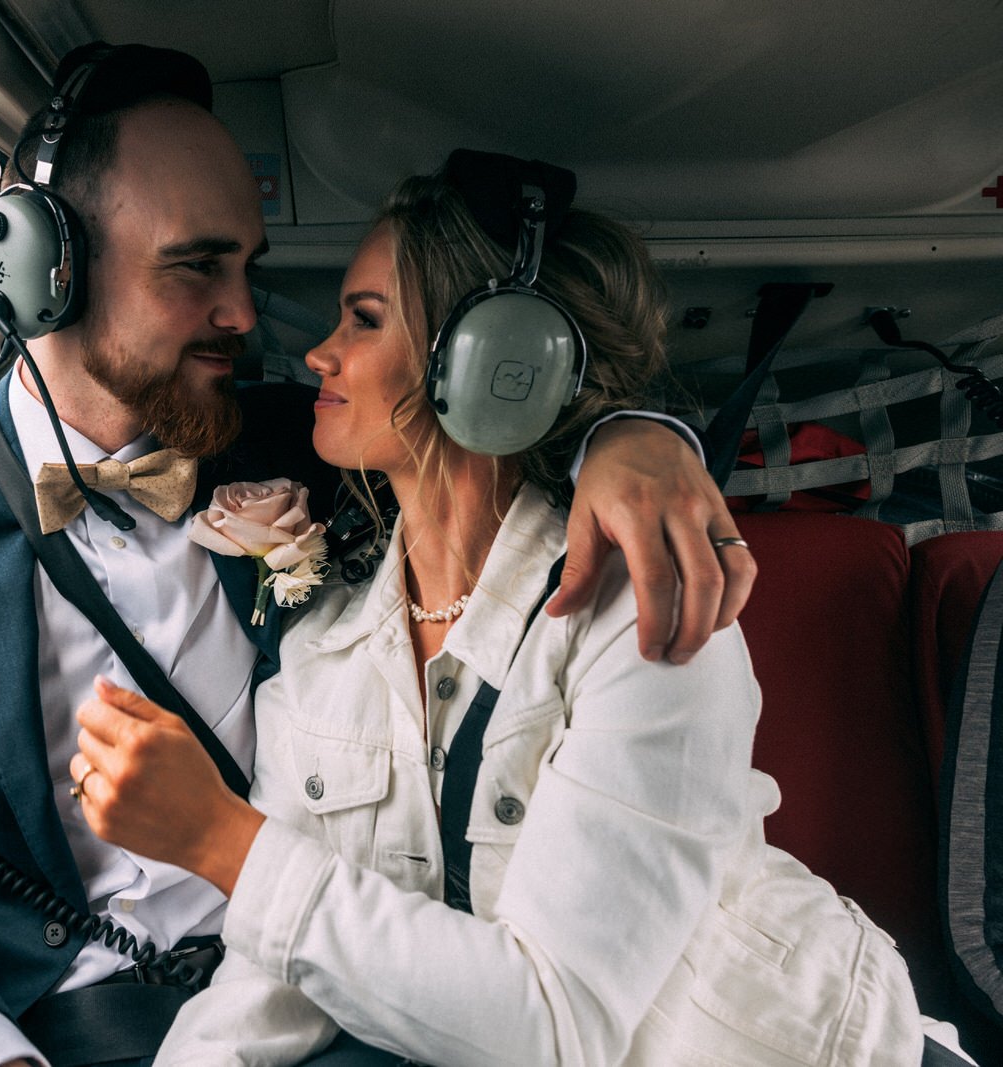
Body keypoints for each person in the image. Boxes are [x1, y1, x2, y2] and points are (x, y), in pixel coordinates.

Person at [0, 43, 753, 1067]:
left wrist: (635, 437)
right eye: (198, 266)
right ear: (37, 257)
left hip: (334, 1001)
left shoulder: (317, 442)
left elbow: (484, 424)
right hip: (36, 1018)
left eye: (248, 268)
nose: (244, 315)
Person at [71, 153, 954, 1065]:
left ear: (494, 361)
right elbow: (268, 989)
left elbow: (553, 1026)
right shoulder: (326, 649)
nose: (316, 355)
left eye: (363, 320)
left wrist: (226, 843)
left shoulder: (637, 611)